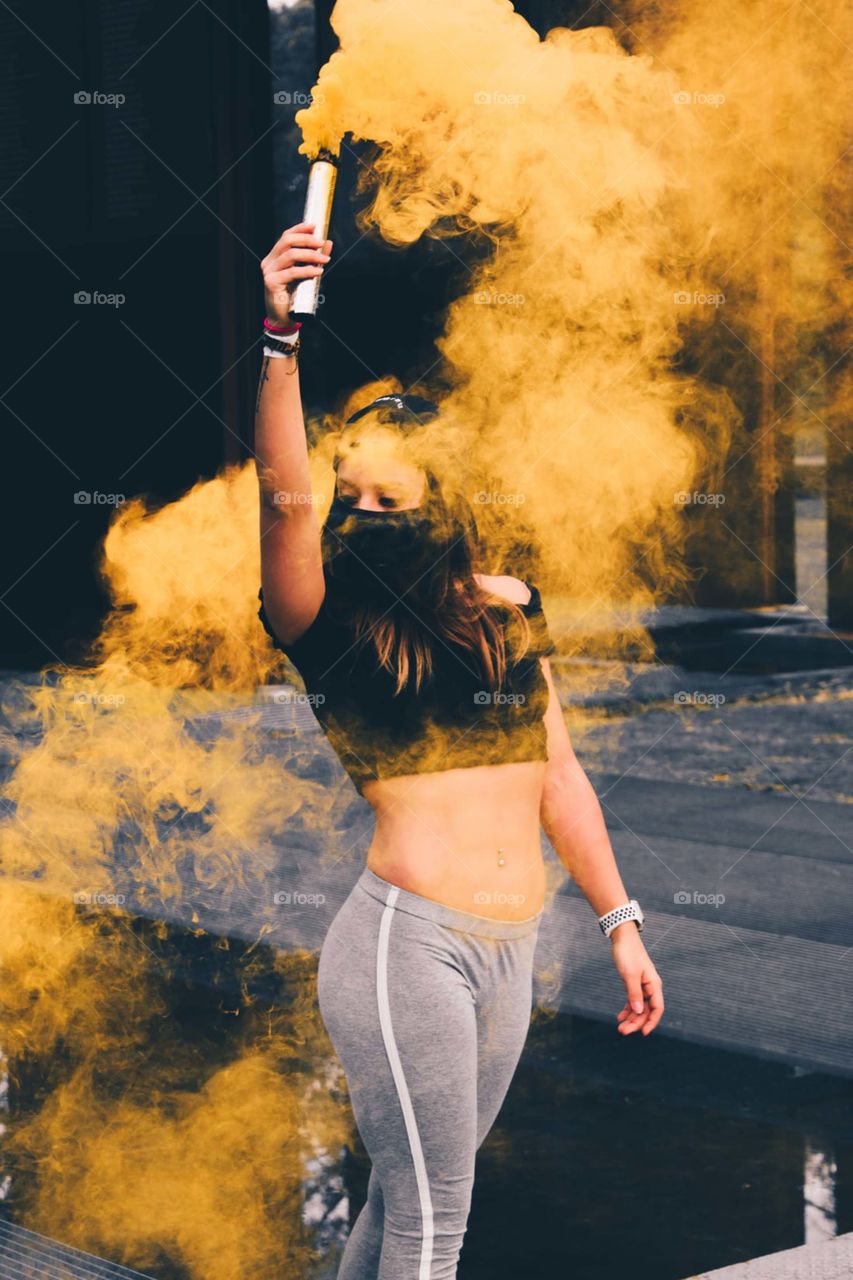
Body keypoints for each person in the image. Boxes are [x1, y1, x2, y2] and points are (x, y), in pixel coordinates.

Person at [254, 221, 665, 1280]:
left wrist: (620, 922)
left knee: (403, 1204)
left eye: (395, 498)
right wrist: (277, 337)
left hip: (510, 948)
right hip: (408, 947)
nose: (368, 515)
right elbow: (284, 496)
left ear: (444, 505)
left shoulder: (503, 618)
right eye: (354, 500)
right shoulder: (324, 620)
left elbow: (558, 778)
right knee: (433, 1230)